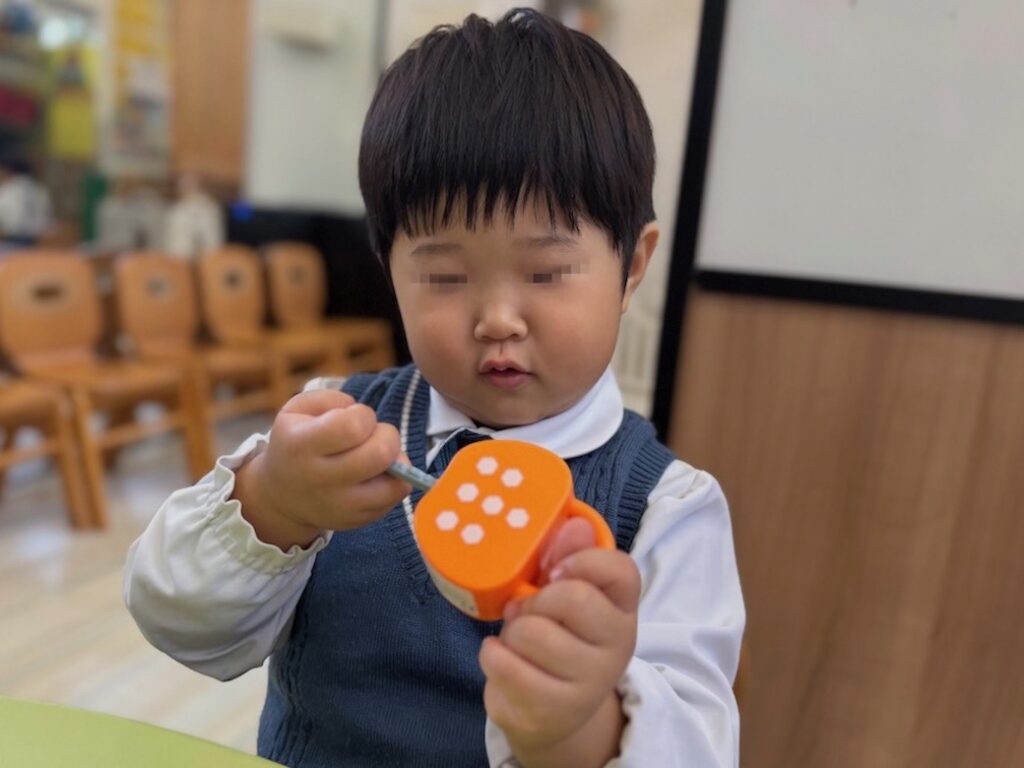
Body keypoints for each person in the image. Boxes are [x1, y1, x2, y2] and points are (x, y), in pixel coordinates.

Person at [124, 9, 744, 768]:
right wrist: (274, 504)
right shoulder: (338, 429)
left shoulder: (666, 511)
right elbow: (177, 620)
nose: (498, 318)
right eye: (445, 276)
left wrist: (579, 726)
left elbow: (699, 746)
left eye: (547, 272)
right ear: (390, 271)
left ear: (633, 266)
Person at [0, 157, 52, 247]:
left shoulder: (8, 188)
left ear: (8, 171)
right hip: (38, 240)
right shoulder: (39, 188)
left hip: (12, 238)